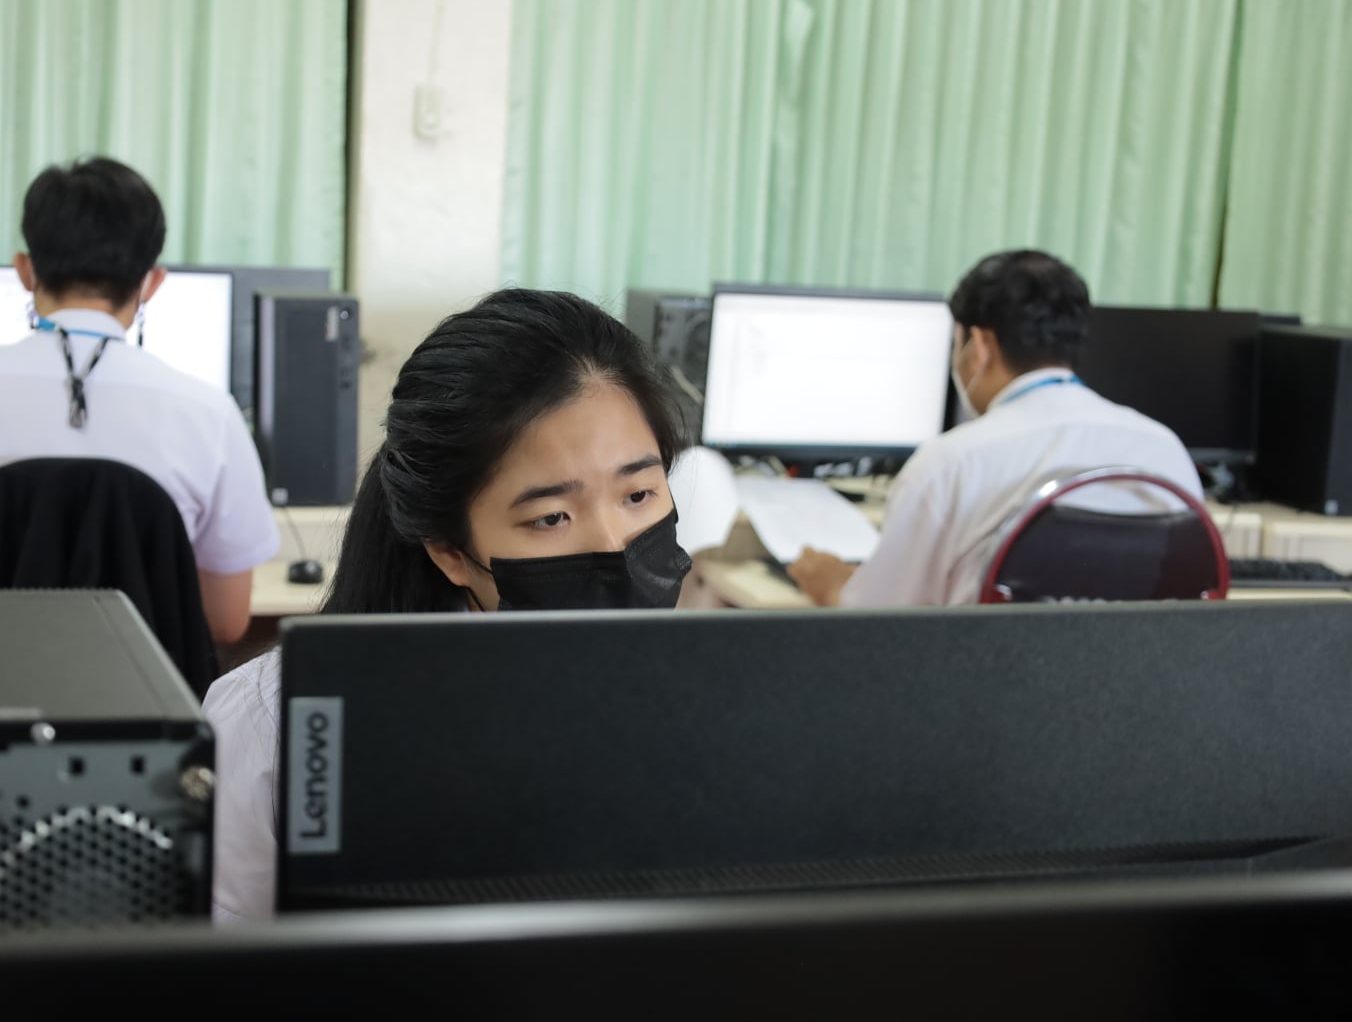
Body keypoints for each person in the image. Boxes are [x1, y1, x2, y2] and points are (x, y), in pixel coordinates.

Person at [203, 288, 693, 922]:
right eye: (551, 517)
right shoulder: (275, 723)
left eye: (638, 494)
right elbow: (221, 974)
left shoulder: (711, 702)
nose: (612, 544)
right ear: (450, 552)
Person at [0, 157, 278, 643]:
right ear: (152, 283)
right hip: (145, 712)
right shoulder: (212, 415)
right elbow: (226, 622)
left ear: (24, 270)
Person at [788, 249, 1203, 608]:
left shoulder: (950, 464)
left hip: (982, 694)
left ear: (980, 346)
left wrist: (832, 585)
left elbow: (880, 621)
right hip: (1130, 695)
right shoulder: (1164, 451)